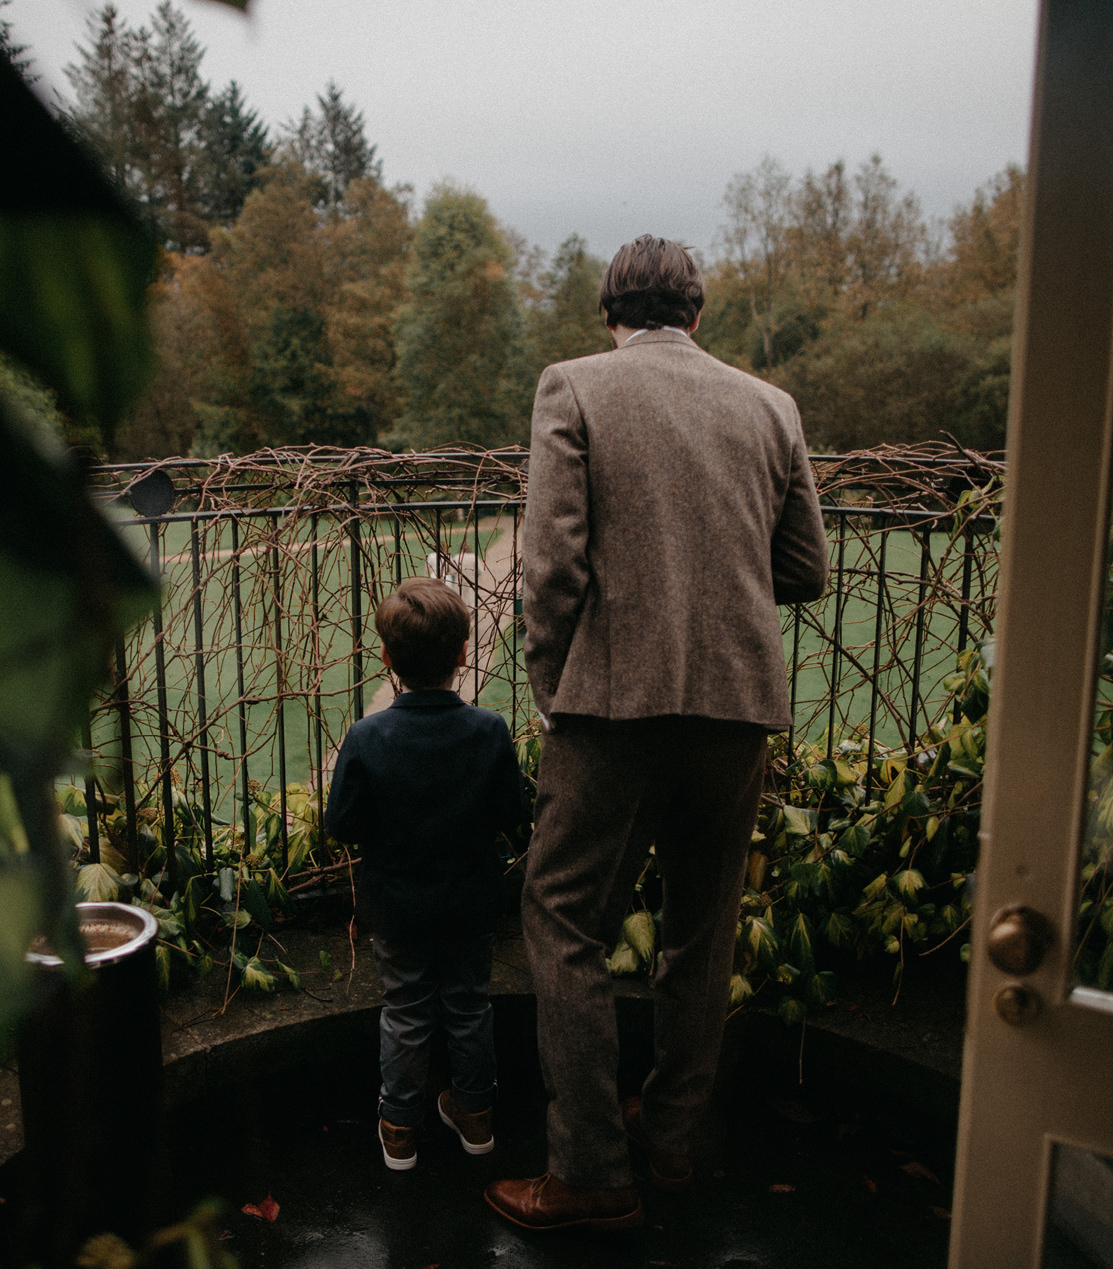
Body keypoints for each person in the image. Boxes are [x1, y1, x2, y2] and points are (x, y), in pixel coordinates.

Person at [485, 236, 829, 1231]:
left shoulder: (573, 386)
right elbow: (804, 567)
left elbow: (549, 565)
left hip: (610, 708)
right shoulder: (771, 407)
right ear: (697, 314)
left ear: (610, 313)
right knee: (701, 928)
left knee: (560, 918)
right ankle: (670, 1140)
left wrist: (551, 685)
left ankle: (589, 1171)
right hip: (735, 708)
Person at [326, 576, 532, 1171]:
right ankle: (475, 1115)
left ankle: (399, 1127)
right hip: (470, 899)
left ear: (387, 658)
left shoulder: (368, 737)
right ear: (463, 654)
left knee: (407, 1010)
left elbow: (341, 824)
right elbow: (514, 816)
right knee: (469, 1006)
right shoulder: (488, 730)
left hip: (396, 904)